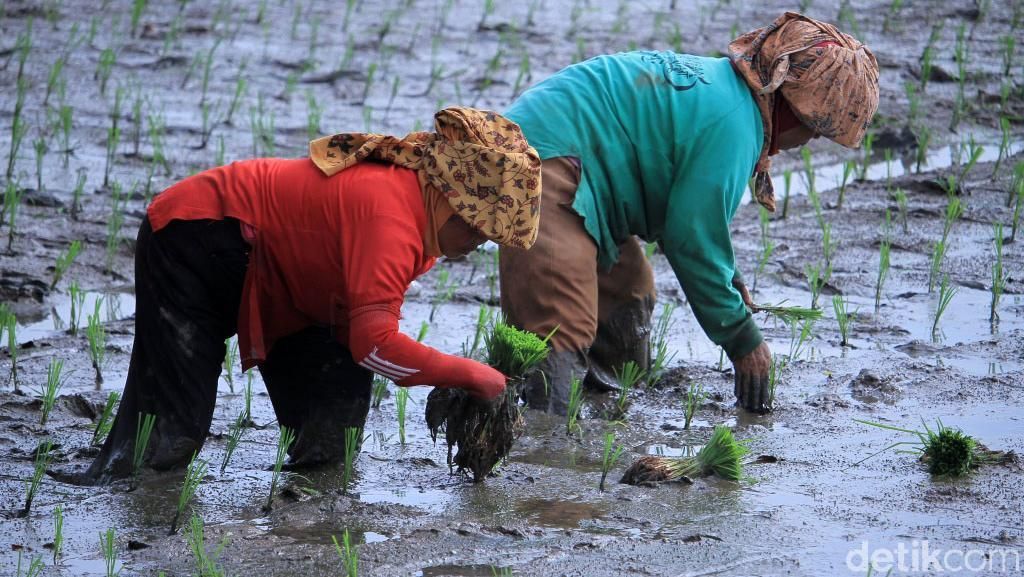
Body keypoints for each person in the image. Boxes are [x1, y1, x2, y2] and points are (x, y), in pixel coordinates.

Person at [75, 107, 541, 484]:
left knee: (330, 437)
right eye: (480, 231)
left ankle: (307, 510)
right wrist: (472, 375)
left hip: (294, 274)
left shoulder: (419, 209)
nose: (481, 243)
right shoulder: (391, 215)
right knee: (169, 432)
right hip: (194, 236)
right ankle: (137, 504)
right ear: (454, 200)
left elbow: (365, 321)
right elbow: (374, 344)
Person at [499, 12, 879, 414]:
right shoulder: (735, 125)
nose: (812, 138)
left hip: (588, 175)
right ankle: (547, 449)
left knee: (630, 293)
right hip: (542, 163)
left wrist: (729, 279)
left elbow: (693, 217)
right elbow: (689, 238)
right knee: (561, 324)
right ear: (793, 107)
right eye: (817, 128)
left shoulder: (729, 96)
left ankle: (602, 416)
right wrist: (742, 339)